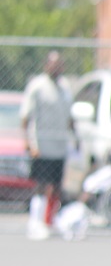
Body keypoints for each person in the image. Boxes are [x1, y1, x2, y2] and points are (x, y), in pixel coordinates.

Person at [20, 51, 74, 240]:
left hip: (59, 145)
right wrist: (28, 141)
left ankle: (49, 221)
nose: (57, 68)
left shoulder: (65, 88)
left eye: (60, 65)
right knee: (41, 185)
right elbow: (26, 117)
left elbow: (70, 117)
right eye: (53, 64)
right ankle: (35, 222)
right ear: (46, 66)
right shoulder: (37, 86)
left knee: (56, 186)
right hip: (42, 145)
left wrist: (76, 139)